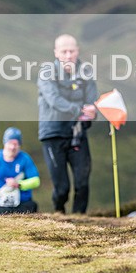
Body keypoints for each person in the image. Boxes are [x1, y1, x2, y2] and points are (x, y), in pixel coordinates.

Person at [37, 34, 99, 214]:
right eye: (64, 51)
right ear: (56, 53)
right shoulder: (47, 72)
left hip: (78, 134)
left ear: (77, 51)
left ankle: (80, 219)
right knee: (62, 187)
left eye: (71, 51)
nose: (68, 55)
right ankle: (59, 212)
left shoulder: (86, 72)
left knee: (82, 181)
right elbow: (54, 100)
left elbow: (92, 101)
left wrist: (93, 111)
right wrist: (81, 110)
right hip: (52, 134)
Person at [0, 127, 40, 216]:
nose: (12, 147)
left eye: (16, 144)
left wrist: (19, 184)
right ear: (5, 143)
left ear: (19, 145)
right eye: (10, 143)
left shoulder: (25, 159)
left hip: (23, 204)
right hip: (2, 203)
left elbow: (36, 181)